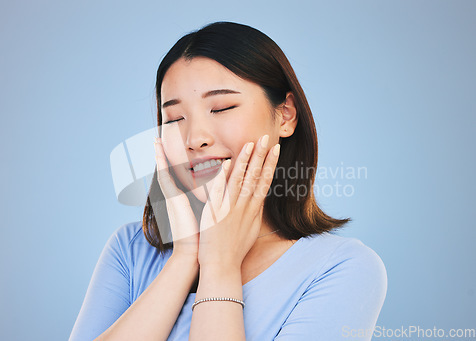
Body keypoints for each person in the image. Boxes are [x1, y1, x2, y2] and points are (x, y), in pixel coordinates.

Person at [69, 21, 387, 341]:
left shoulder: (343, 268)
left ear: (286, 114)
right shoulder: (130, 250)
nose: (195, 138)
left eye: (221, 108)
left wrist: (220, 266)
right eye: (175, 118)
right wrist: (184, 259)